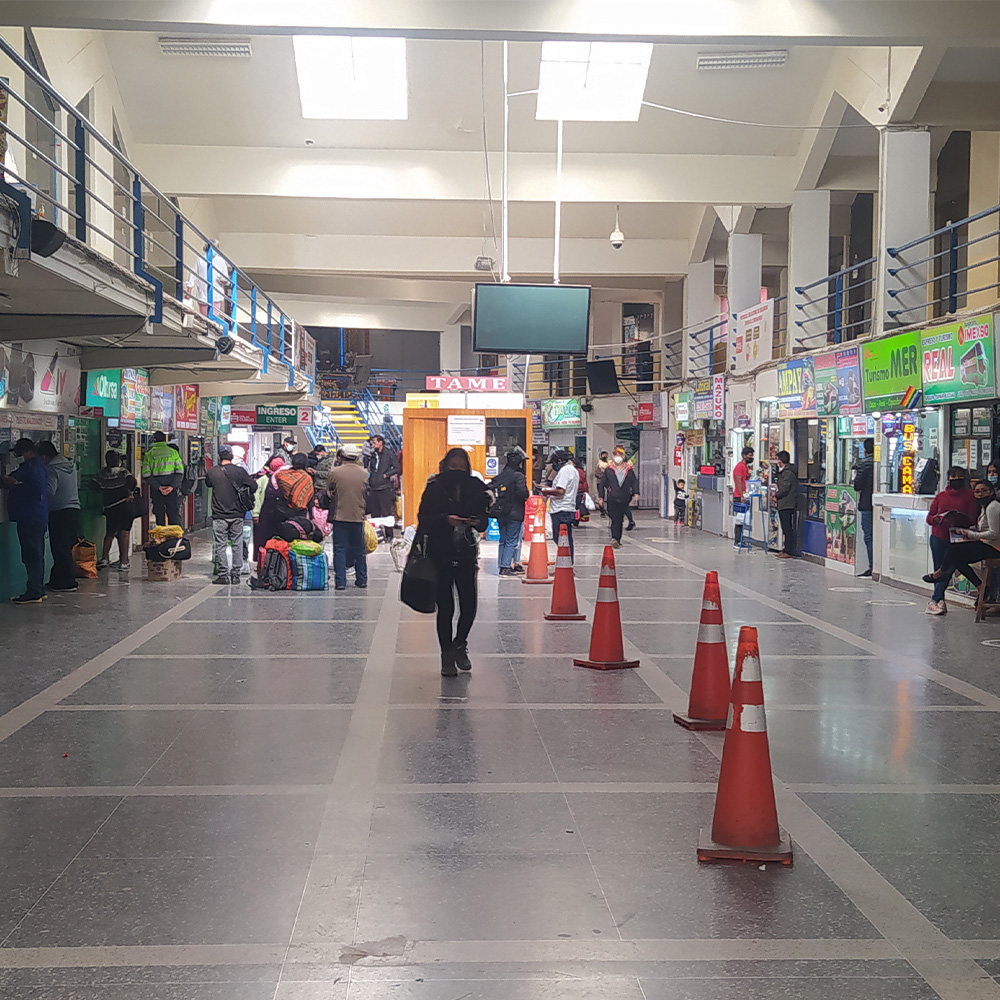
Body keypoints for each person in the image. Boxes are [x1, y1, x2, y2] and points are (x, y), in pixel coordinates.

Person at [416, 448, 490, 677]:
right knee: (445, 608)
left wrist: (477, 521)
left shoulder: (475, 488)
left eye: (461, 466)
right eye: (452, 466)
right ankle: (446, 655)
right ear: (445, 466)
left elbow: (485, 521)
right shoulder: (435, 488)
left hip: (466, 553)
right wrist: (445, 520)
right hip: (440, 554)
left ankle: (460, 643)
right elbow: (423, 519)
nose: (456, 471)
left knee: (469, 606)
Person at [923, 480, 1000, 615]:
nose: (980, 494)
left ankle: (940, 573)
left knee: (954, 551)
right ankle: (980, 585)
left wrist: (971, 534)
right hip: (988, 544)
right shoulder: (984, 507)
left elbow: (994, 533)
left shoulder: (993, 507)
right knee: (956, 557)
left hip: (995, 547)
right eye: (977, 491)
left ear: (991, 492)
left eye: (984, 491)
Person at [922, 467, 980, 614]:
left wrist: (959, 518)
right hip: (939, 536)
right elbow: (929, 517)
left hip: (957, 538)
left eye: (959, 476)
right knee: (939, 569)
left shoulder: (970, 496)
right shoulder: (941, 496)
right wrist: (936, 519)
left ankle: (935, 600)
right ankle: (939, 600)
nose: (956, 479)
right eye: (953, 476)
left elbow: (972, 518)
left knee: (948, 568)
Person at [0, 439, 49, 604]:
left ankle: (34, 591)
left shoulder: (33, 466)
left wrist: (14, 485)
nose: (16, 457)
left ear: (27, 451)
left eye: (18, 453)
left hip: (30, 517)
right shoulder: (32, 466)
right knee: (36, 554)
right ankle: (38, 589)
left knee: (32, 555)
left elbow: (35, 490)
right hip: (34, 516)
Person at [206, 445, 257, 585]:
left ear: (219, 456)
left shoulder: (213, 472)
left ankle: (223, 575)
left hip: (219, 515)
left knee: (221, 544)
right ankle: (235, 574)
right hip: (237, 514)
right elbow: (254, 486)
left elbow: (208, 484)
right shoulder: (239, 472)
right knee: (237, 543)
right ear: (231, 456)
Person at [38, 441, 80, 593]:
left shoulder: (52, 469)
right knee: (65, 547)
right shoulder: (69, 465)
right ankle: (57, 580)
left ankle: (67, 582)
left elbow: (49, 491)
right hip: (74, 510)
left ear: (44, 456)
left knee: (60, 548)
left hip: (60, 512)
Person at [327, 442, 369, 591]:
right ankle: (362, 579)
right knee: (359, 549)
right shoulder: (364, 473)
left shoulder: (335, 472)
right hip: (358, 515)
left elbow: (329, 490)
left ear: (342, 456)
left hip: (340, 516)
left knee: (339, 549)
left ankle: (340, 582)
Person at [93, 451, 138, 570]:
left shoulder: (101, 473)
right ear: (118, 461)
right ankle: (123, 561)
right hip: (125, 505)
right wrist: (130, 492)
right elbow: (133, 482)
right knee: (124, 533)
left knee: (110, 533)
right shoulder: (123, 472)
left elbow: (94, 486)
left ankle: (104, 558)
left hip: (110, 507)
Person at [488, 449, 529, 575]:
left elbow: (490, 487)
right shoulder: (518, 475)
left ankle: (501, 564)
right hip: (515, 513)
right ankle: (505, 567)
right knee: (512, 540)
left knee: (503, 540)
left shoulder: (502, 474)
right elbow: (523, 494)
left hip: (501, 513)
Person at [597, 446, 639, 548]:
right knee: (614, 518)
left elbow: (634, 482)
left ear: (623, 456)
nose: (617, 457)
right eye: (615, 455)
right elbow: (602, 484)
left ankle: (617, 539)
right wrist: (601, 497)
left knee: (619, 519)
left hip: (624, 497)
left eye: (619, 455)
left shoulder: (629, 470)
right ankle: (614, 538)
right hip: (612, 498)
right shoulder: (609, 470)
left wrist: (636, 493)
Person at [542, 450, 579, 560]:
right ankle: (566, 564)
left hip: (561, 509)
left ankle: (566, 565)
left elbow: (560, 491)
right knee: (566, 539)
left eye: (553, 463)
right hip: (567, 508)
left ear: (559, 461)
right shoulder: (573, 470)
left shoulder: (564, 471)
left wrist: (545, 491)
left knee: (561, 539)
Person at [142, 431, 185, 526]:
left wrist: (158, 487)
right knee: (173, 514)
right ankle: (173, 538)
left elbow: (146, 475)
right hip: (171, 490)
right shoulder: (173, 453)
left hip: (157, 491)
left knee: (159, 514)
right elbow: (180, 472)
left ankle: (161, 538)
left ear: (154, 440)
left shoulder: (148, 454)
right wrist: (171, 487)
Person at [366, 434, 399, 538]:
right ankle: (377, 535)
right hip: (374, 486)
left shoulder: (388, 454)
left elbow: (397, 468)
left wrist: (386, 475)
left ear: (380, 443)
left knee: (386, 512)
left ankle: (389, 535)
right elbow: (371, 468)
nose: (372, 445)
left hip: (384, 487)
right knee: (374, 512)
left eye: (374, 442)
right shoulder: (373, 455)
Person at [853, 438, 875, 576]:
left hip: (866, 504)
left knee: (868, 536)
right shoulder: (886, 463)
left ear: (865, 450)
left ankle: (872, 566)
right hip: (875, 504)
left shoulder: (863, 464)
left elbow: (857, 485)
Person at [773, 450, 799, 559]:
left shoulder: (788, 473)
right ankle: (785, 549)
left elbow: (784, 488)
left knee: (787, 528)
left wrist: (776, 496)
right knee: (785, 527)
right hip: (784, 503)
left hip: (787, 503)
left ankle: (788, 551)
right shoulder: (785, 472)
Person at [732, 446, 754, 547]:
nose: (751, 457)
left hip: (744, 495)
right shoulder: (740, 467)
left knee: (743, 520)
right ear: (744, 456)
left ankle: (740, 540)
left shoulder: (746, 467)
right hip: (739, 495)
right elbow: (738, 481)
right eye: (750, 456)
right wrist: (741, 496)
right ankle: (737, 541)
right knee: (740, 520)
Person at [594, 450, 610, 518]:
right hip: (600, 482)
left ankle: (610, 509)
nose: (604, 456)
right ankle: (602, 511)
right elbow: (596, 473)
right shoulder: (598, 464)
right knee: (601, 496)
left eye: (605, 455)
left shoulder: (609, 463)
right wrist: (603, 476)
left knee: (610, 495)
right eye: (603, 455)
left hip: (608, 482)